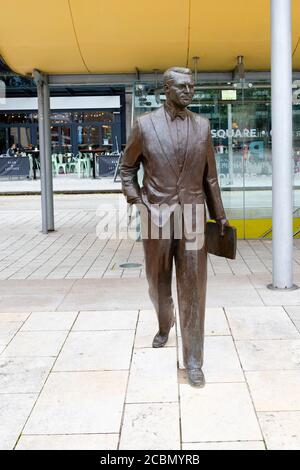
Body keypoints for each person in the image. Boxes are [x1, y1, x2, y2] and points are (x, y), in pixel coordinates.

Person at [120, 67, 228, 387]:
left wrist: (219, 216)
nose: (188, 91)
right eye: (182, 86)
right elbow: (127, 169)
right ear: (166, 88)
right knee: (157, 285)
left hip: (193, 217)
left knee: (194, 288)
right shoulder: (144, 125)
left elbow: (210, 177)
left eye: (192, 87)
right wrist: (138, 202)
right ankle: (165, 323)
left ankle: (194, 360)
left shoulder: (203, 127)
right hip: (156, 217)